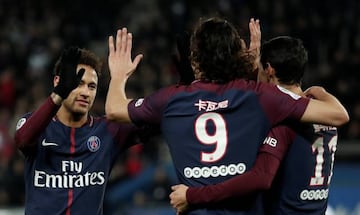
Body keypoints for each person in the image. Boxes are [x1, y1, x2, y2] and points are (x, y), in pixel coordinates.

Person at [105, 17, 349, 214]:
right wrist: (317, 90)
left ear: (195, 59)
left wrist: (118, 75)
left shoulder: (170, 99)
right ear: (234, 56)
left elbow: (114, 110)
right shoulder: (258, 96)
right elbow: (336, 115)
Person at [169, 36, 341, 215]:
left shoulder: (284, 121)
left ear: (269, 70)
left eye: (259, 69)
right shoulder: (324, 115)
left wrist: (192, 196)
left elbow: (260, 178)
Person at [14, 47, 150, 215]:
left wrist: (119, 79)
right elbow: (22, 140)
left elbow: (157, 119)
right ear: (57, 82)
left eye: (92, 86)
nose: (86, 92)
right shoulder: (37, 125)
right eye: (78, 83)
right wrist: (57, 96)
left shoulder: (108, 130)